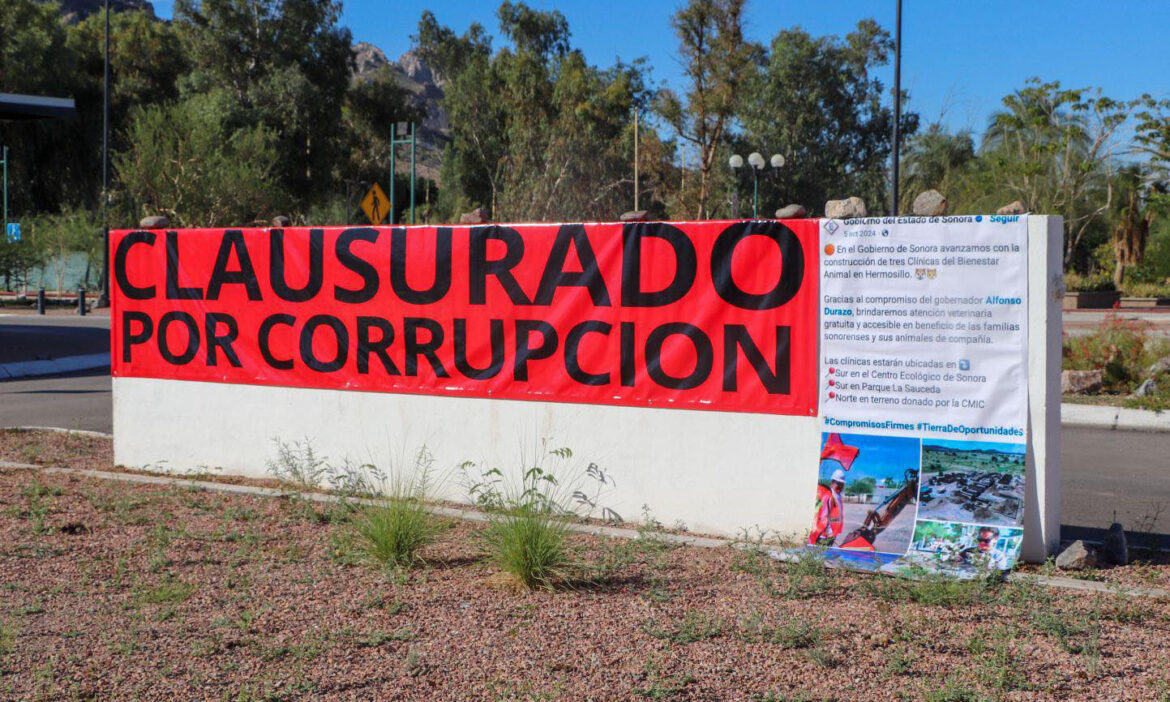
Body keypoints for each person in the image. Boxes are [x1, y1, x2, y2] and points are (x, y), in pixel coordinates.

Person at [809, 469, 847, 546]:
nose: (841, 486)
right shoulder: (829, 496)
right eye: (839, 483)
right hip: (824, 535)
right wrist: (830, 533)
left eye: (842, 484)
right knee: (820, 555)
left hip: (832, 534)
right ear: (832, 482)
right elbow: (824, 517)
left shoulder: (838, 496)